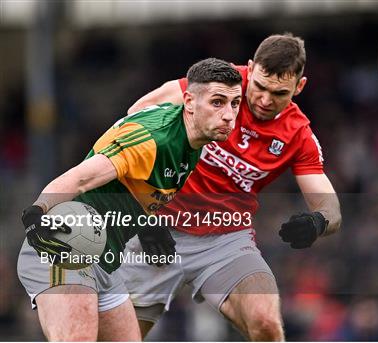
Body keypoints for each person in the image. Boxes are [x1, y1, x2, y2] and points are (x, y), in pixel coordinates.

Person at [120, 33, 342, 340]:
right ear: (249, 69)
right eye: (260, 86)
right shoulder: (214, 84)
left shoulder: (298, 134)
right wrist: (142, 216)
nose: (265, 100)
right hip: (158, 227)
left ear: (299, 87)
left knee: (266, 322)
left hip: (225, 239)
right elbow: (133, 121)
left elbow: (330, 208)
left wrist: (317, 222)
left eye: (278, 93)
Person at [16, 58, 243, 341]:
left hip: (104, 260)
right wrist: (37, 212)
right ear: (189, 102)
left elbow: (136, 164)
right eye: (218, 102)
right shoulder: (152, 140)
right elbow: (80, 178)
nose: (229, 115)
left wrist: (149, 225)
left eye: (235, 104)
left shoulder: (193, 140)